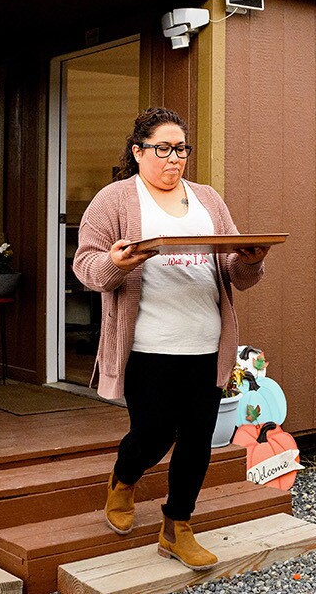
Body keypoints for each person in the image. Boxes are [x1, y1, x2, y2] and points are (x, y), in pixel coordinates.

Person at [72, 106, 268, 571]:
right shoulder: (115, 200)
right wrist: (115, 265)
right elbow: (86, 267)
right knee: (153, 431)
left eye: (180, 149)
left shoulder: (208, 199)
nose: (173, 158)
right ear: (138, 152)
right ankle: (123, 480)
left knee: (198, 438)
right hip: (147, 345)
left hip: (206, 341)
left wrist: (253, 258)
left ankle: (176, 526)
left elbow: (235, 272)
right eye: (162, 148)